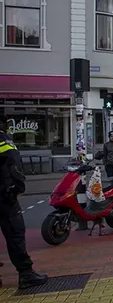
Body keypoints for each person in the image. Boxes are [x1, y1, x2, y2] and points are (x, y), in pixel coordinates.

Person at [0, 122, 48, 289]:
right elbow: (14, 164)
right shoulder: (3, 141)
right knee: (15, 233)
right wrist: (17, 187)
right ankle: (26, 274)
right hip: (4, 196)